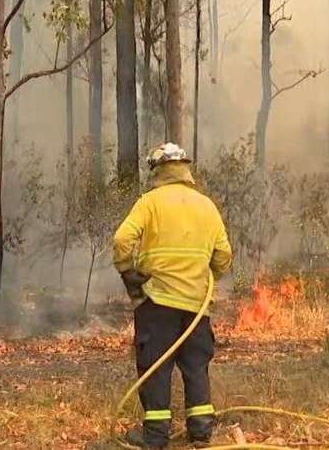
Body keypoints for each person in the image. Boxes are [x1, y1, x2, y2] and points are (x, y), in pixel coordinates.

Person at [113, 143, 233, 449]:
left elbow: (122, 240)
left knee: (156, 365)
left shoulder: (150, 202)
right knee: (196, 366)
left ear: (157, 170)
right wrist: (203, 277)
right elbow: (223, 255)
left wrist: (129, 275)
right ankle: (202, 432)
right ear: (185, 169)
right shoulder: (206, 205)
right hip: (196, 306)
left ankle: (155, 437)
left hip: (158, 303)